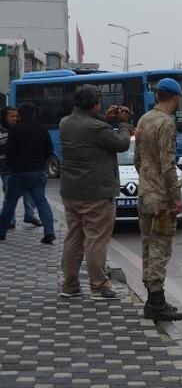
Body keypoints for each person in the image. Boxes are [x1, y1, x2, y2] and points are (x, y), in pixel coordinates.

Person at [58, 85, 133, 299]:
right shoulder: (97, 128)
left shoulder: (65, 123)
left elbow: (91, 131)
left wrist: (104, 119)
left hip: (71, 191)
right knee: (96, 240)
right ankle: (99, 285)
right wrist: (123, 123)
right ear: (95, 105)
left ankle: (70, 285)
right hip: (96, 194)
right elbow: (121, 143)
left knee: (73, 238)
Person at [135, 78, 182, 322]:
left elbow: (137, 159)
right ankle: (157, 302)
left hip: (145, 194)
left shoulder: (144, 119)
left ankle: (151, 299)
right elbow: (168, 166)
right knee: (160, 249)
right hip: (161, 199)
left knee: (147, 245)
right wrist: (176, 198)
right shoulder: (167, 124)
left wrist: (147, 182)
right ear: (175, 98)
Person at [0, 103, 55, 244]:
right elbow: (49, 151)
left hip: (19, 172)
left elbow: (9, 152)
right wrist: (41, 163)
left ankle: (1, 232)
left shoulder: (16, 130)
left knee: (10, 202)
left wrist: (13, 168)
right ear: (34, 114)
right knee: (41, 201)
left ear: (20, 115)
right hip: (39, 172)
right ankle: (49, 232)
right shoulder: (42, 130)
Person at [0, 106, 41, 229]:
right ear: (4, 116)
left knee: (29, 190)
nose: (14, 118)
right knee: (10, 193)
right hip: (6, 168)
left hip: (23, 167)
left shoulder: (20, 129)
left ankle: (29, 214)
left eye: (16, 116)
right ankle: (10, 220)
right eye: (11, 116)